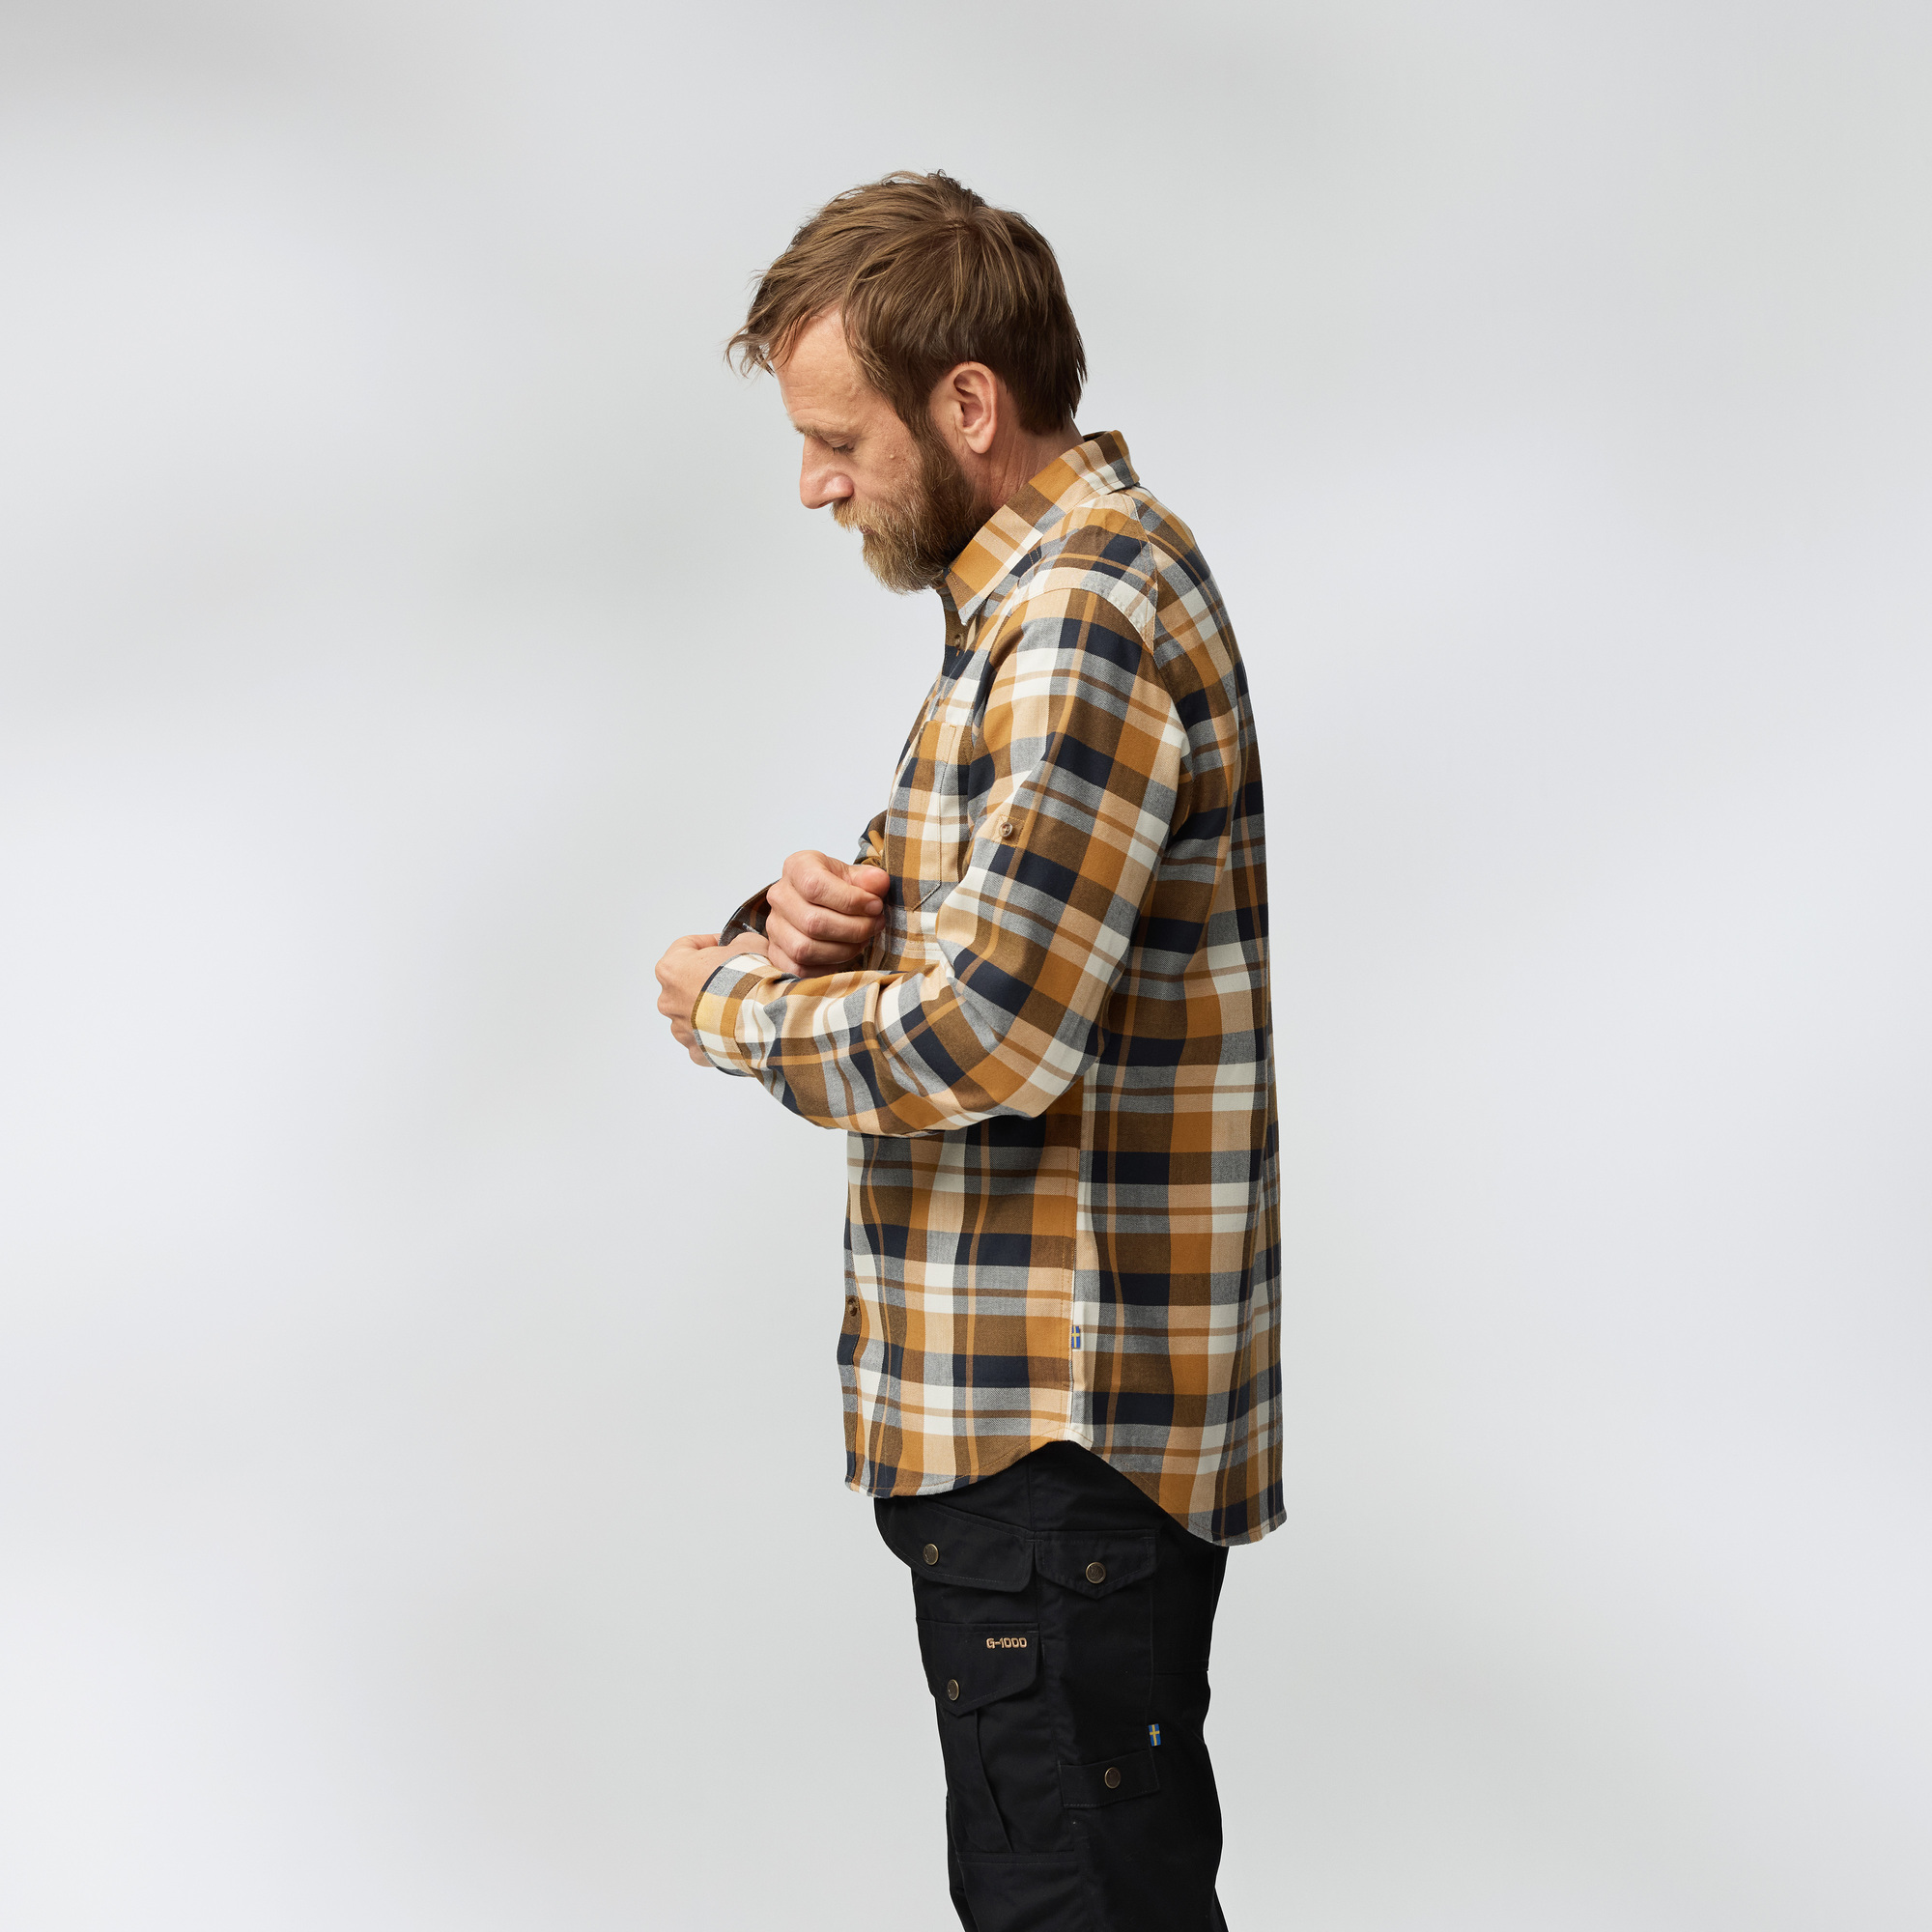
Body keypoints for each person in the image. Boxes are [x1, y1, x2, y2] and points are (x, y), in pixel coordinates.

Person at [654, 171, 1281, 1931]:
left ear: (971, 404)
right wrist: (802, 917)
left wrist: (721, 1005)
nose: (815, 483)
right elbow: (968, 930)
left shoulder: (1079, 619)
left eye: (837, 437)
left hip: (1053, 1444)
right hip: (1051, 1453)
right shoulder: (1039, 609)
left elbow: (988, 1035)